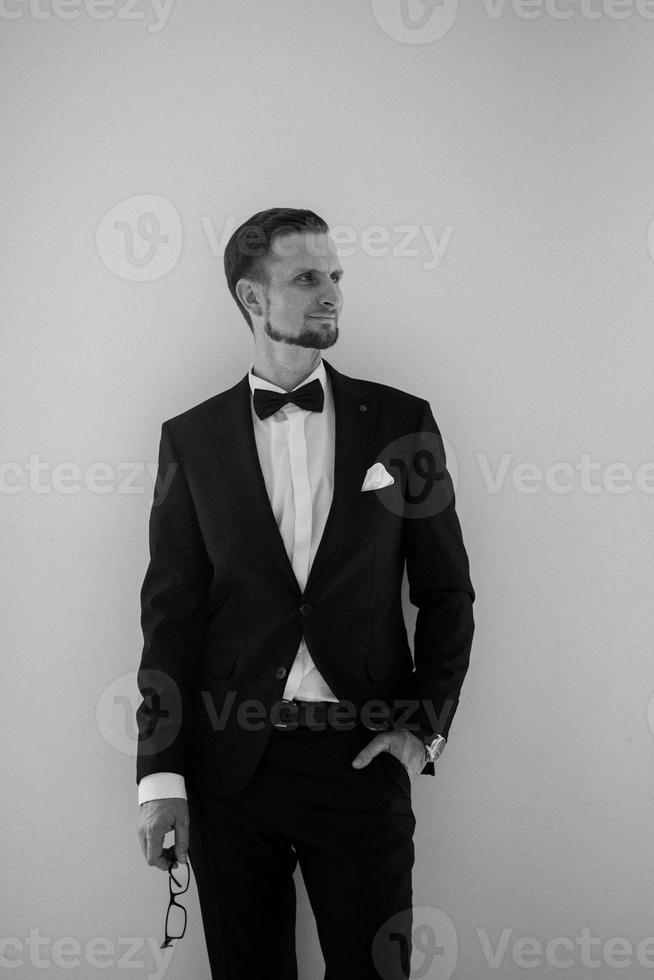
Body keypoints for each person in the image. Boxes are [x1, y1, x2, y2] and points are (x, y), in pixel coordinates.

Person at [135, 207, 475, 980]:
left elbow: (448, 592)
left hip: (360, 759)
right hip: (229, 770)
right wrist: (161, 777)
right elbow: (170, 619)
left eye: (336, 277)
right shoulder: (191, 439)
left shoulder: (400, 422)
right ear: (252, 299)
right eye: (307, 278)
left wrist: (424, 726)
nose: (332, 295)